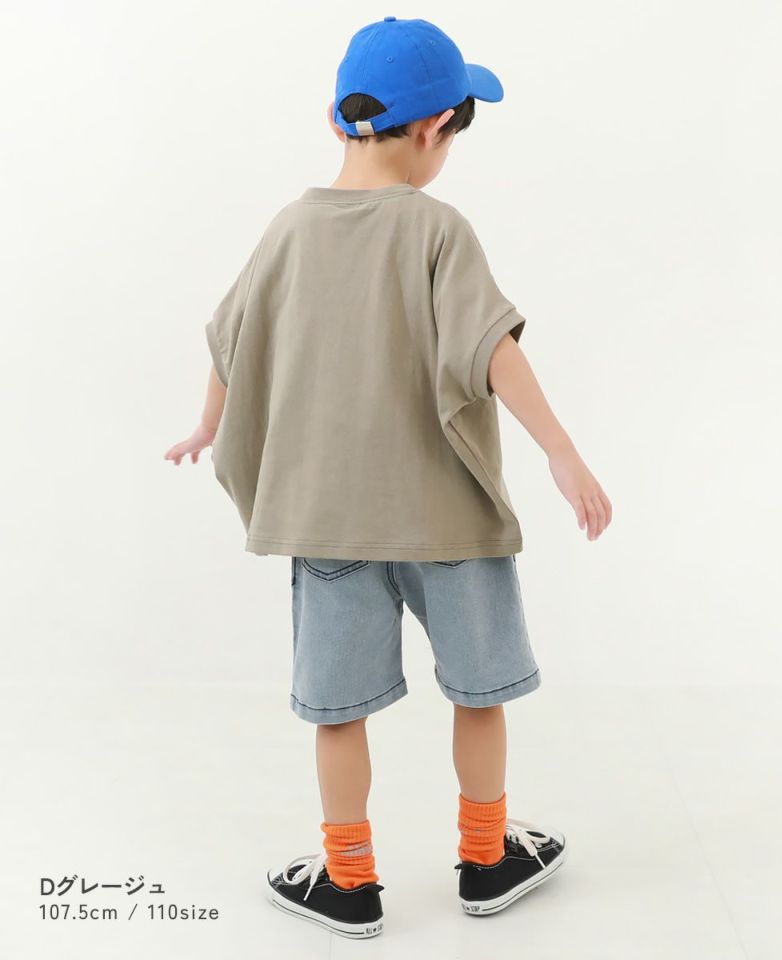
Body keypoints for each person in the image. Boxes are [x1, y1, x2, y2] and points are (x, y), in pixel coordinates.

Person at [164, 15, 611, 940]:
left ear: (337, 120)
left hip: (330, 519)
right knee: (478, 694)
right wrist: (561, 451)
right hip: (447, 519)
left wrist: (208, 426)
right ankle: (486, 859)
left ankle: (349, 880)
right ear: (436, 127)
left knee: (338, 712)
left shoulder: (289, 229)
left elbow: (228, 341)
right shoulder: (438, 229)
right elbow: (494, 350)